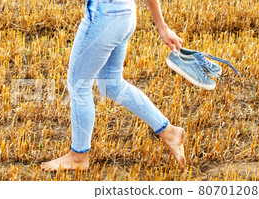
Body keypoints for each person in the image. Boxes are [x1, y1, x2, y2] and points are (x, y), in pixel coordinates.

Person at [41, 0, 186, 172]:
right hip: (124, 13)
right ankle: (169, 131)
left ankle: (78, 156)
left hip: (105, 15)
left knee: (79, 85)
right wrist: (162, 26)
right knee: (112, 84)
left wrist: (162, 27)